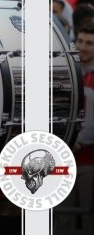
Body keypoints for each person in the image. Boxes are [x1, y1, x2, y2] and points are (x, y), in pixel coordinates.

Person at [57, 23, 94, 232]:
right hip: (62, 159)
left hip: (88, 160)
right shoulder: (67, 71)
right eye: (79, 41)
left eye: (89, 43)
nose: (82, 46)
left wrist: (78, 142)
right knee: (62, 218)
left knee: (89, 218)